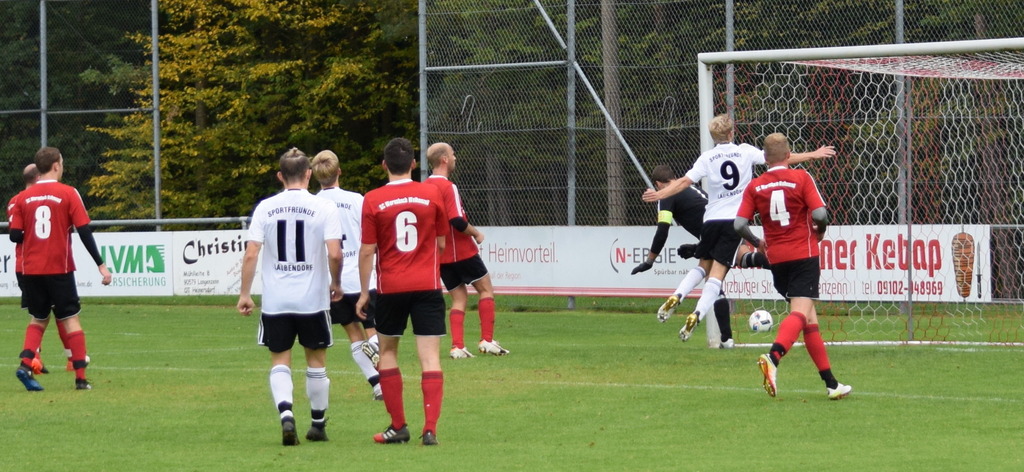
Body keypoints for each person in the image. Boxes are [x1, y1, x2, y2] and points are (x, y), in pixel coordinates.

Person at [642, 114, 834, 343]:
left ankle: (678, 295)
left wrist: (660, 194)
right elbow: (779, 159)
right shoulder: (745, 151)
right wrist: (813, 154)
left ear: (713, 136)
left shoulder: (707, 157)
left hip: (709, 220)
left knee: (703, 265)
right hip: (733, 220)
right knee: (717, 274)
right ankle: (697, 313)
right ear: (731, 132)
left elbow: (684, 182)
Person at [237, 148, 344, 445]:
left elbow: (251, 253)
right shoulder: (324, 207)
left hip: (277, 301)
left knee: (280, 360)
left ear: (280, 176)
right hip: (312, 300)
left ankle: (286, 414)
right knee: (316, 361)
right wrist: (336, 283)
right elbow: (335, 253)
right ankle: (317, 424)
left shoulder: (265, 207)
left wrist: (245, 293)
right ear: (309, 174)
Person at [734, 132, 852, 400]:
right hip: (803, 254)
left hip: (776, 259)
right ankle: (773, 357)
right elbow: (820, 213)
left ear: (765, 159)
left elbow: (739, 224)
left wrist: (757, 242)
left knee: (809, 319)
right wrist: (820, 231)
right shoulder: (801, 177)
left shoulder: (755, 186)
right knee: (800, 312)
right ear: (789, 155)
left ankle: (831, 384)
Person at [356, 137, 449, 446]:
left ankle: (398, 426)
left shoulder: (372, 199)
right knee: (430, 358)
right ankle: (430, 429)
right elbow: (441, 243)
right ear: (413, 164)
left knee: (387, 353)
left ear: (384, 165)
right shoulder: (432, 193)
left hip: (391, 287)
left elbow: (367, 250)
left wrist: (364, 292)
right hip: (427, 286)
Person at [8, 147, 113, 391]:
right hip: (59, 267)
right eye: (62, 163)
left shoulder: (22, 198)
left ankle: (25, 365)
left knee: (38, 318)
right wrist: (100, 264)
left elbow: (15, 234)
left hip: (31, 269)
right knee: (70, 318)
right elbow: (84, 231)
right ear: (56, 165)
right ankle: (80, 379)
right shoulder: (68, 193)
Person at [631, 164, 739, 348]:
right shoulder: (691, 187)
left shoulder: (666, 195)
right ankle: (726, 339)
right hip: (723, 227)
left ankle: (678, 296)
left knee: (713, 276)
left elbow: (662, 231)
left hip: (712, 234)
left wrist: (650, 260)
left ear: (658, 184)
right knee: (714, 280)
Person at [310, 149, 383, 401]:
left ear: (315, 176)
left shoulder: (313, 205)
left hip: (333, 281)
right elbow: (370, 236)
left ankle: (377, 385)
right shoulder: (356, 200)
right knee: (373, 330)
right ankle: (382, 368)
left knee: (353, 335)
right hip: (362, 278)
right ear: (339, 171)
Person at [425, 142, 509, 359]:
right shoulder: (448, 186)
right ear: (444, 159)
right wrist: (476, 233)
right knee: (486, 289)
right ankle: (487, 340)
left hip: (441, 255)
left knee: (459, 297)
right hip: (461, 250)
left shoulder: (425, 187)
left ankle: (457, 347)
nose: (455, 158)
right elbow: (456, 220)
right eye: (452, 154)